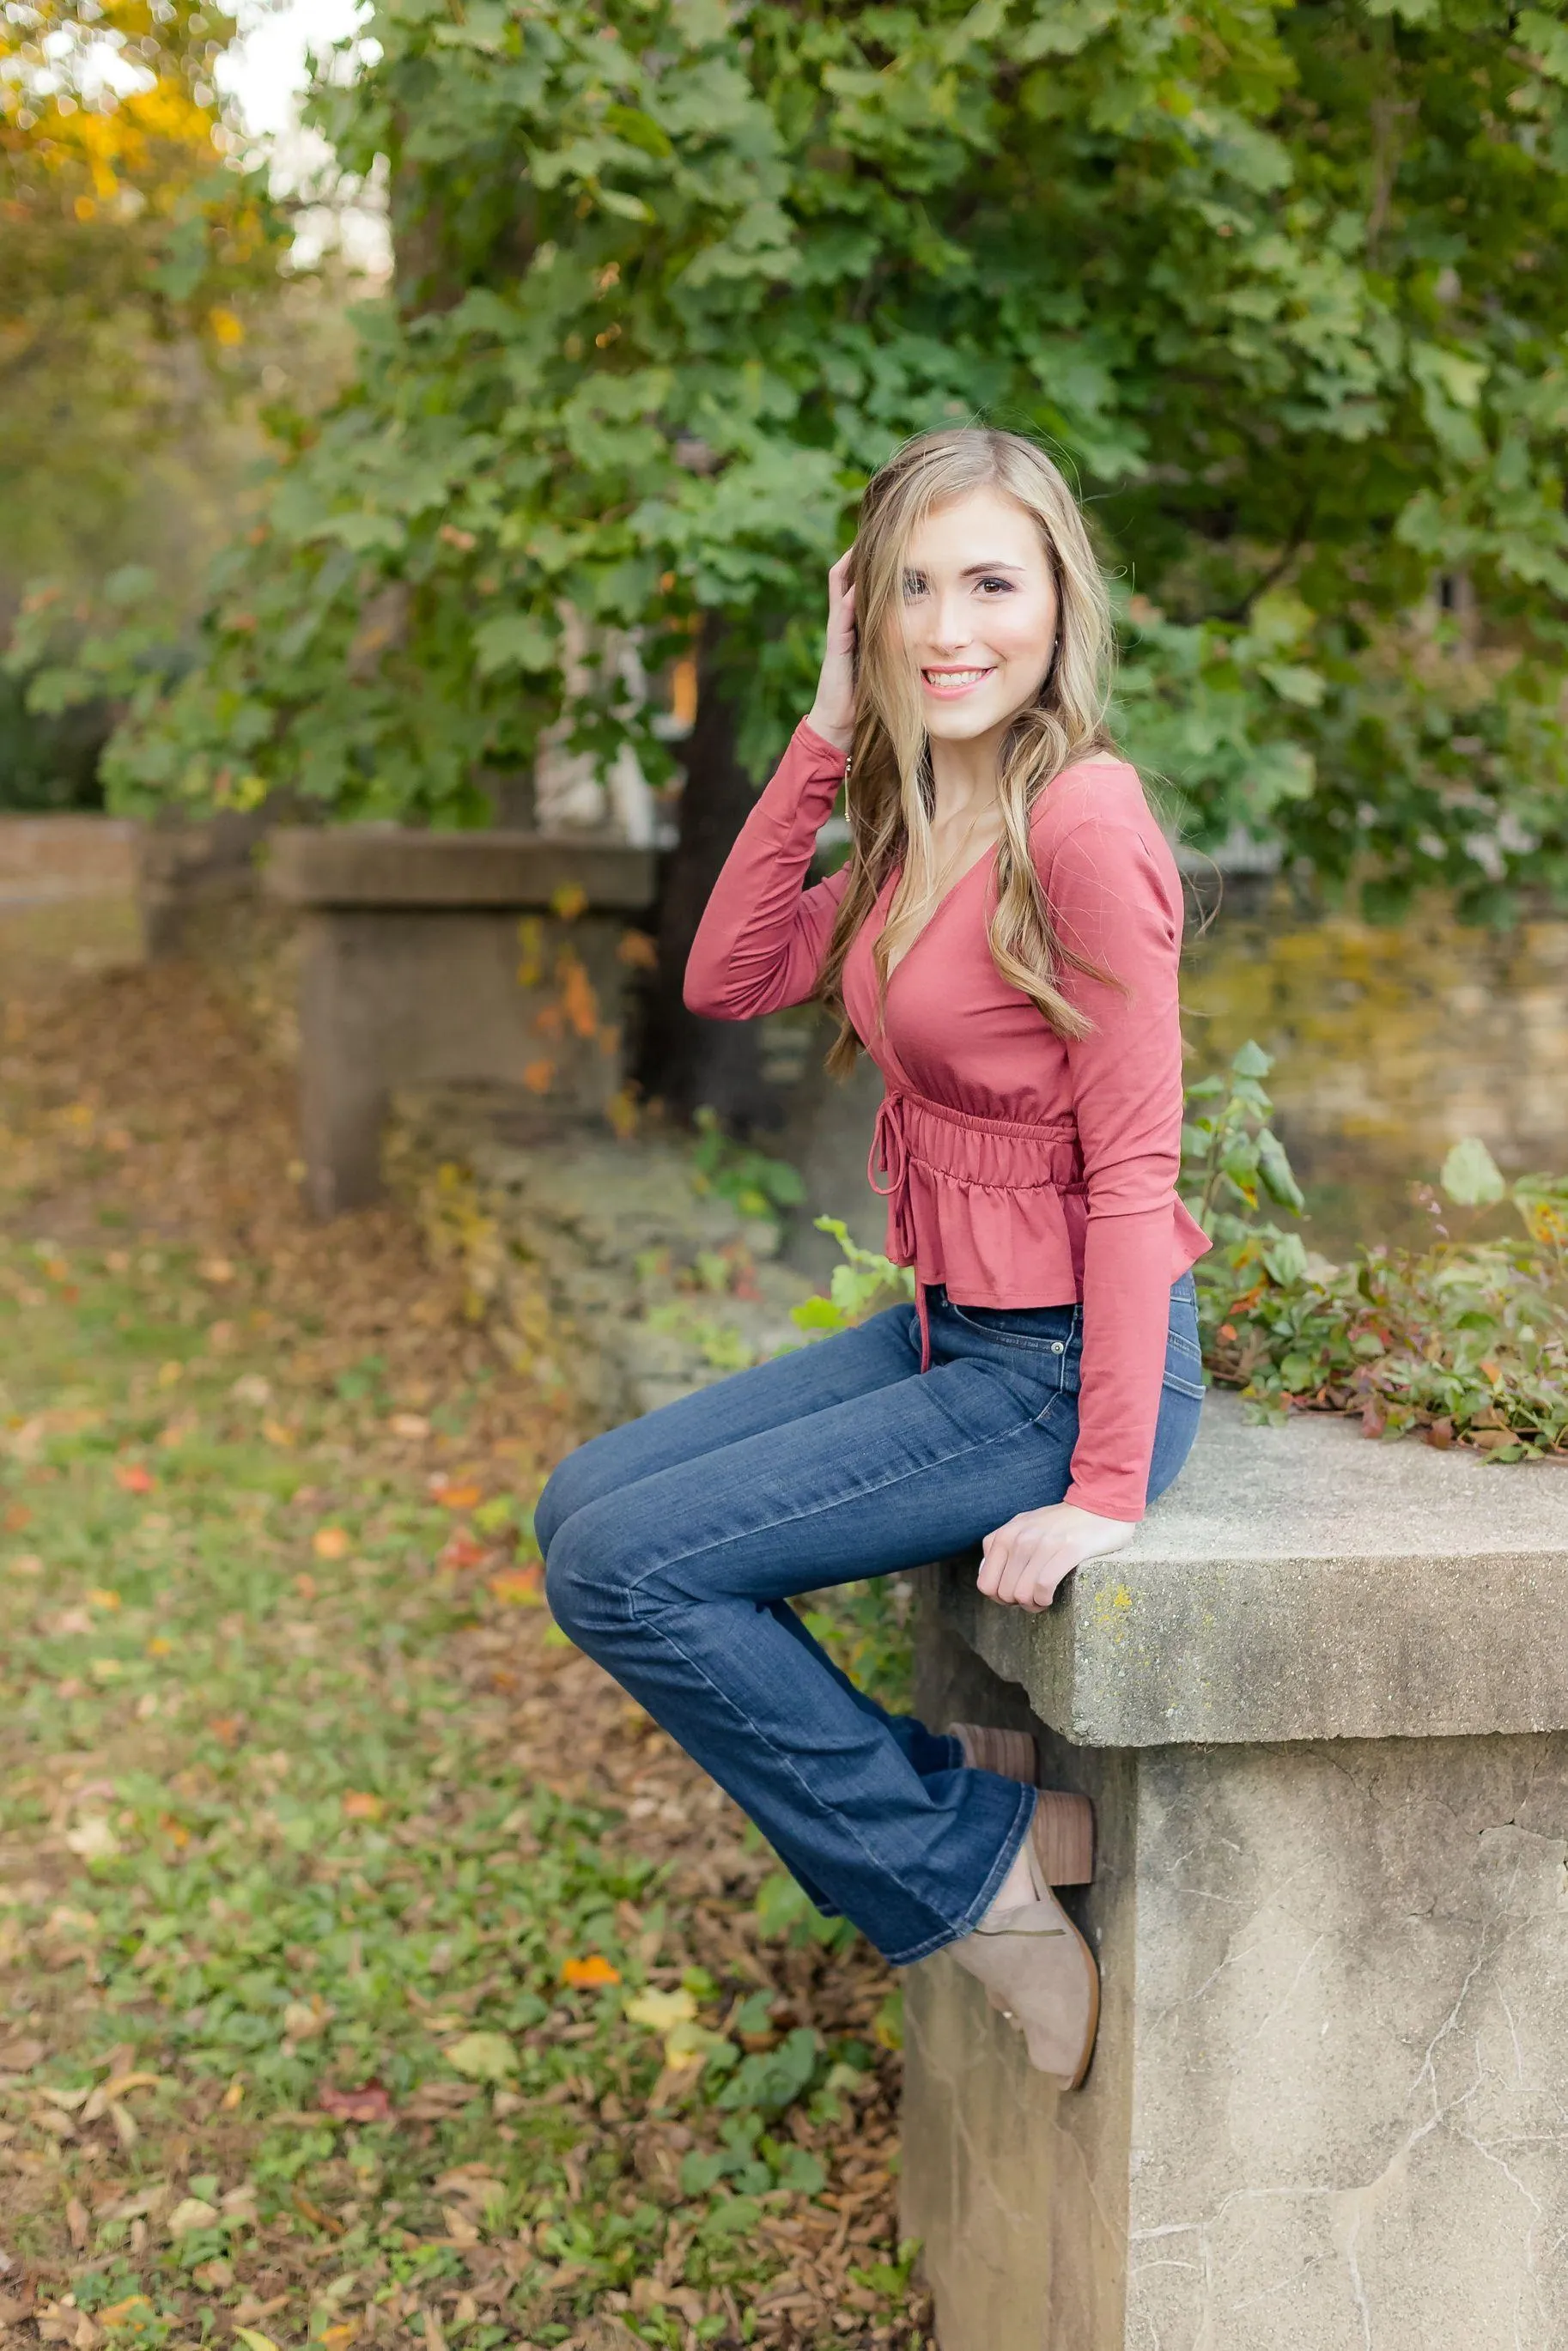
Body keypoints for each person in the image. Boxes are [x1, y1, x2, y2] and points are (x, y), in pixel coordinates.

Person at [538, 426, 1210, 2090]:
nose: (947, 626)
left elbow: (1133, 1172)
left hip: (1055, 1374)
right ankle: (959, 1794)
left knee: (624, 1570)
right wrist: (831, 729)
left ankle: (958, 1874)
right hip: (951, 1337)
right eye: (911, 587)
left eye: (990, 582)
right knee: (581, 1505)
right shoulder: (923, 822)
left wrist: (1105, 1486)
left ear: (1061, 603)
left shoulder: (1080, 824)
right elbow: (726, 971)